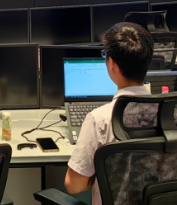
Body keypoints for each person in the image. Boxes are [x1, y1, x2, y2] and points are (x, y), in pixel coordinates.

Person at [65, 22, 154, 204]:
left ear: (112, 64)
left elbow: (74, 186)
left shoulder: (100, 119)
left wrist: (99, 169)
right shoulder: (174, 113)